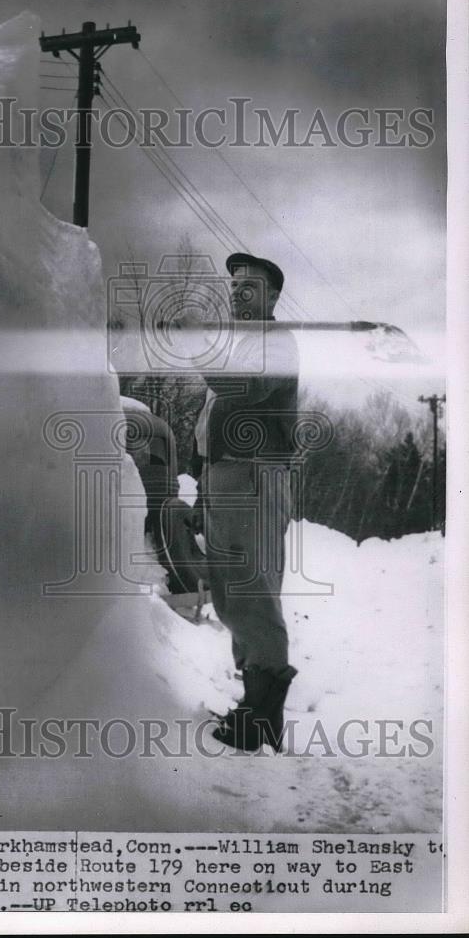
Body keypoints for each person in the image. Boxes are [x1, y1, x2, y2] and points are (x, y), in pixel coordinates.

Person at [190, 252, 300, 752]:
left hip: (255, 475)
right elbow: (210, 415)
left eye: (249, 286)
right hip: (223, 476)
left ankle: (264, 715)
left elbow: (243, 387)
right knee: (231, 593)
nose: (237, 292)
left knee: (253, 588)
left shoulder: (275, 342)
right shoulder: (238, 344)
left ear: (273, 296)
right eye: (233, 285)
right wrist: (200, 478)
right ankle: (254, 704)